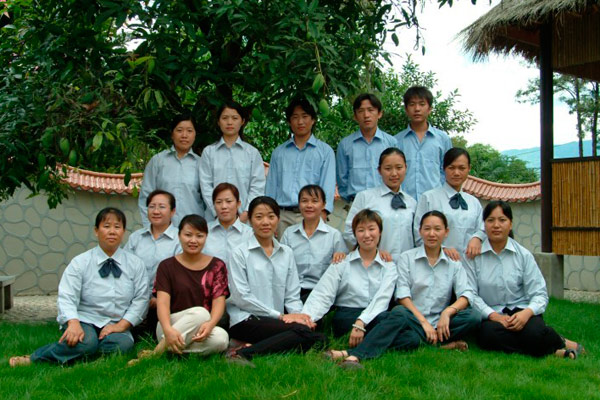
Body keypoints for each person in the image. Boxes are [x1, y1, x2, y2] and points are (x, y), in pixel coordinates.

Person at [326, 211, 480, 369]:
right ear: (420, 231)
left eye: (437, 229)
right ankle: (354, 355)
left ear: (446, 232)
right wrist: (424, 323)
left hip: (442, 323)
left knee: (473, 316)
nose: (432, 234)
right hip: (412, 320)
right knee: (402, 318)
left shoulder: (453, 262)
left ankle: (347, 353)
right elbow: (402, 295)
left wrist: (447, 313)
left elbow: (466, 294)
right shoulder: (407, 258)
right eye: (427, 229)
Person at [9, 208, 148, 367]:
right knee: (87, 342)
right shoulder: (80, 262)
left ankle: (81, 353)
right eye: (106, 226)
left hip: (116, 321)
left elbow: (141, 299)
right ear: (96, 231)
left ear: (123, 232)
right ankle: (36, 358)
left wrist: (121, 325)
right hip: (85, 319)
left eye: (117, 227)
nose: (112, 231)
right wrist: (73, 323)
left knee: (123, 345)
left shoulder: (135, 264)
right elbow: (67, 296)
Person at [464, 201, 584, 359]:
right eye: (490, 220)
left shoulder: (523, 255)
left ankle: (545, 340)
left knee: (533, 333)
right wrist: (493, 316)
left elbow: (540, 294)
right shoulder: (474, 257)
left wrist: (526, 313)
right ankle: (556, 345)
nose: (496, 225)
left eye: (502, 220)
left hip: (522, 312)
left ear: (511, 224)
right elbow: (471, 294)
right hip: (493, 315)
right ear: (484, 224)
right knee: (487, 337)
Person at [226, 196, 327, 366]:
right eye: (259, 217)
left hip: (276, 322)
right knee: (307, 335)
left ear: (278, 219)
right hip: (246, 319)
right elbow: (241, 297)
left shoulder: (286, 253)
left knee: (316, 336)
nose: (265, 222)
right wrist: (281, 316)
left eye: (271, 216)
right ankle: (242, 354)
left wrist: (300, 317)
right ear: (250, 220)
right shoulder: (239, 253)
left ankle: (248, 348)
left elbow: (292, 295)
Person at [128, 215, 229, 365]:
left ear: (206, 237)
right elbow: (162, 304)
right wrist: (168, 330)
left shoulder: (217, 266)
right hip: (169, 325)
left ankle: (167, 350)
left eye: (199, 236)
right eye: (188, 235)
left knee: (222, 339)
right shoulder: (166, 266)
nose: (193, 240)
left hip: (202, 327)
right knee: (201, 313)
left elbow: (219, 302)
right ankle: (157, 353)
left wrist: (211, 324)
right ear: (179, 235)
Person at [302, 209, 397, 342]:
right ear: (355, 234)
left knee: (409, 336)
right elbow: (323, 293)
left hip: (376, 313)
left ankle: (369, 339)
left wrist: (361, 321)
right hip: (347, 316)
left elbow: (383, 298)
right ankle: (379, 338)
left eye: (371, 229)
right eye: (361, 230)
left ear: (380, 232)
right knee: (396, 328)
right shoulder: (341, 263)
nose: (367, 235)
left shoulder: (389, 266)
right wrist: (306, 318)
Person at [265, 98, 336, 238]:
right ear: (289, 122)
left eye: (305, 116)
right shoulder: (279, 153)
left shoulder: (325, 152)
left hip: (312, 215)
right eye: (295, 117)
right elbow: (271, 187)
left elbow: (327, 185)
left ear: (313, 120)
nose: (300, 122)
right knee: (281, 252)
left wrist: (323, 213)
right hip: (283, 216)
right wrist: (269, 215)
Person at [124, 190, 182, 338]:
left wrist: (159, 298)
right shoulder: (136, 238)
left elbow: (180, 275)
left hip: (166, 301)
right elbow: (125, 268)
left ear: (173, 211)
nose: (156, 211)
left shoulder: (180, 239)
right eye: (152, 206)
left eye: (162, 207)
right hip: (135, 299)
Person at [344, 147, 416, 262]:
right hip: (375, 264)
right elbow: (349, 232)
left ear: (405, 168)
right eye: (388, 168)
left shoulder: (412, 202)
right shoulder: (365, 198)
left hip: (406, 266)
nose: (394, 173)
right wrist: (372, 251)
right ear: (379, 170)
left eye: (399, 168)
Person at [413, 147, 484, 261]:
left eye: (462, 168)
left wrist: (477, 238)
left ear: (469, 168)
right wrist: (441, 249)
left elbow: (482, 228)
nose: (456, 173)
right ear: (444, 168)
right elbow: (418, 232)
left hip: (469, 263)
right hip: (437, 262)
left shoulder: (474, 202)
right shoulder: (429, 198)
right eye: (451, 168)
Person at [200, 101, 265, 223]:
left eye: (235, 118)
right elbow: (206, 186)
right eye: (225, 118)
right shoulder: (209, 152)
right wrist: (217, 212)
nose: (229, 122)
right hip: (214, 219)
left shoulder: (252, 153)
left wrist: (246, 213)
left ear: (242, 121)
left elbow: (257, 186)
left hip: (244, 220)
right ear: (218, 122)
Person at [281, 185, 347, 302]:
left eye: (315, 201)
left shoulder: (334, 235)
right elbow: (281, 264)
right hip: (292, 292)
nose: (309, 205)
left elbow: (343, 268)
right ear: (299, 204)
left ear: (324, 205)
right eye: (304, 201)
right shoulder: (289, 233)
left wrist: (341, 257)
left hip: (321, 293)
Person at [139, 114, 204, 228]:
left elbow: (208, 199)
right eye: (179, 130)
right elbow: (145, 196)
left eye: (189, 131)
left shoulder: (201, 164)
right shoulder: (158, 161)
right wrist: (149, 227)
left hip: (193, 229)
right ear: (172, 134)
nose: (184, 135)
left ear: (195, 135)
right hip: (162, 229)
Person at [336, 93, 396, 205]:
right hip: (355, 203)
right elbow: (342, 178)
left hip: (384, 202)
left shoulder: (391, 143)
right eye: (361, 111)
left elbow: (396, 174)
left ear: (380, 114)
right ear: (355, 116)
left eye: (371, 110)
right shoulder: (345, 145)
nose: (366, 115)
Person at [395, 86, 452, 201]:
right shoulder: (396, 141)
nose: (417, 109)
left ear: (429, 109)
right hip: (404, 202)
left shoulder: (443, 139)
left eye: (422, 104)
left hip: (435, 202)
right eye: (412, 104)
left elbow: (447, 170)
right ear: (406, 109)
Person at [202, 182, 253, 269]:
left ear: (238, 204)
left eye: (229, 201)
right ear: (214, 205)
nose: (224, 206)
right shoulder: (204, 232)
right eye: (219, 202)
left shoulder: (250, 234)